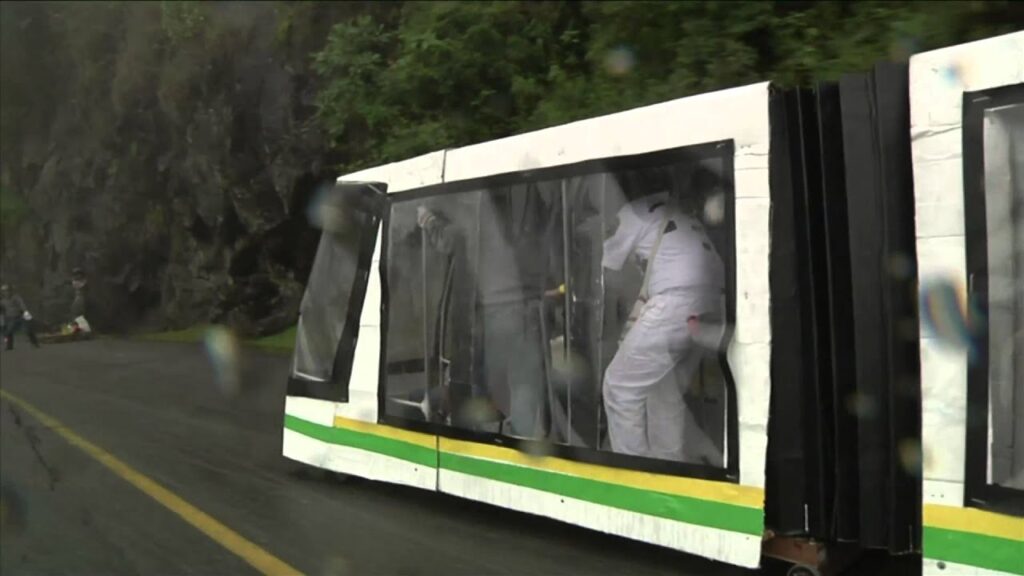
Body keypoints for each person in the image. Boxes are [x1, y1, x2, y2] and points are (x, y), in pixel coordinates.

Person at [418, 182, 564, 439]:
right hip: (528, 312)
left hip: (493, 314)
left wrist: (427, 218)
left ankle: (478, 429)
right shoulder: (527, 226)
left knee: (478, 375)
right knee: (523, 381)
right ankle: (523, 435)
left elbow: (448, 240)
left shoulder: (477, 220)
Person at [600, 167, 726, 462]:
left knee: (619, 387)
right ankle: (668, 465)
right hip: (711, 305)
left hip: (676, 305)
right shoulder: (680, 214)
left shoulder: (634, 211)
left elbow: (606, 273)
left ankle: (634, 471)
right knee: (664, 394)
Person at [1, 284, 40, 350]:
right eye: (5, 291)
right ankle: (9, 346)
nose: (7, 293)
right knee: (8, 332)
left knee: (28, 329)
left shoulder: (16, 298)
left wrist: (27, 316)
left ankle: (34, 343)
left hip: (19, 316)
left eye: (8, 291)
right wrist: (3, 318)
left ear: (11, 291)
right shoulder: (2, 301)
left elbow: (22, 305)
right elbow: (2, 310)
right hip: (10, 318)